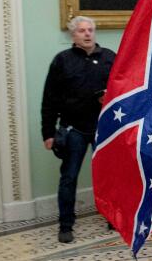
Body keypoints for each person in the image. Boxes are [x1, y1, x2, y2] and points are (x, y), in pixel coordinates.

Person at [41, 16, 115, 243]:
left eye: (90, 30)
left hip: (104, 127)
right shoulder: (62, 61)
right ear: (73, 35)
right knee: (69, 177)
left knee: (109, 175)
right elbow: (50, 99)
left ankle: (114, 217)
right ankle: (66, 224)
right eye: (82, 30)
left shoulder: (109, 57)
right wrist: (48, 133)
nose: (87, 34)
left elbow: (123, 89)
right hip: (74, 128)